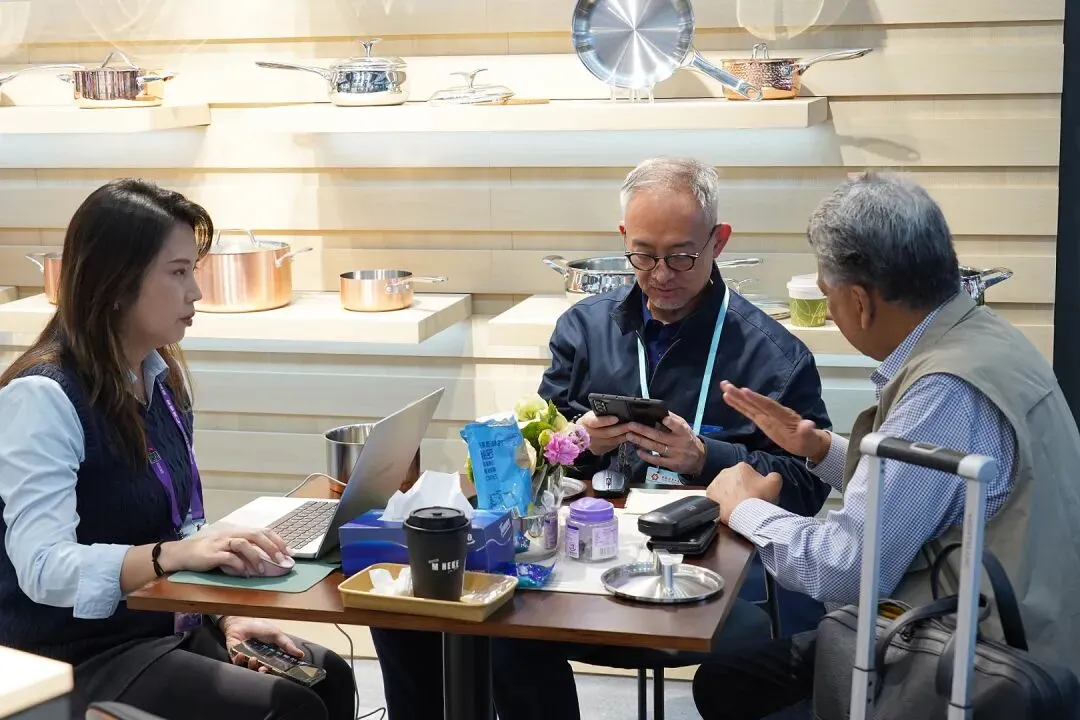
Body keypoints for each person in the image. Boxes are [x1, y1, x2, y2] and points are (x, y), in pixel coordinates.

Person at [370, 157, 833, 719]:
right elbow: (533, 457)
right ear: (623, 240)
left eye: (681, 256)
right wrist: (573, 443)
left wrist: (705, 457)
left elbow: (808, 489)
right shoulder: (585, 329)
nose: (661, 273)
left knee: (748, 651)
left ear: (719, 241)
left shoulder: (773, 356)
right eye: (643, 254)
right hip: (587, 558)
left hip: (712, 573)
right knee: (500, 625)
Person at [692, 172, 1080, 718]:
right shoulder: (985, 336)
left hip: (981, 667)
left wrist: (745, 510)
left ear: (860, 301)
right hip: (1030, 627)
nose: (829, 309)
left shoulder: (944, 390)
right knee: (730, 681)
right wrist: (818, 448)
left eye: (827, 294)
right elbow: (931, 491)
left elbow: (848, 570)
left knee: (733, 688)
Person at [0, 179, 357, 720]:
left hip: (162, 630)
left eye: (194, 270)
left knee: (328, 675)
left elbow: (182, 525)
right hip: (76, 656)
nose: (196, 292)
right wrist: (170, 556)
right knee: (287, 707)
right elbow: (44, 567)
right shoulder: (43, 398)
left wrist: (224, 616)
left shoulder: (158, 378)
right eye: (178, 272)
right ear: (115, 282)